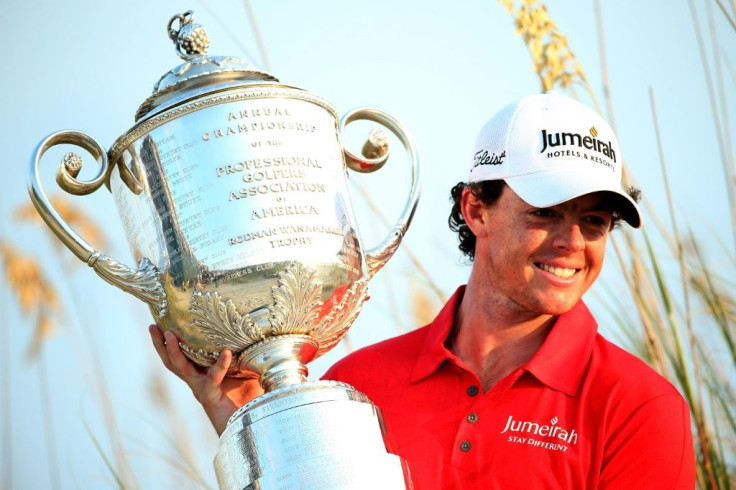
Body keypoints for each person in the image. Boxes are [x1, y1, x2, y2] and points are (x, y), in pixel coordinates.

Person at [150, 91, 696, 488]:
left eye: (595, 221)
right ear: (476, 209)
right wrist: (252, 424)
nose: (571, 242)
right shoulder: (355, 388)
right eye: (546, 213)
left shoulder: (639, 408)